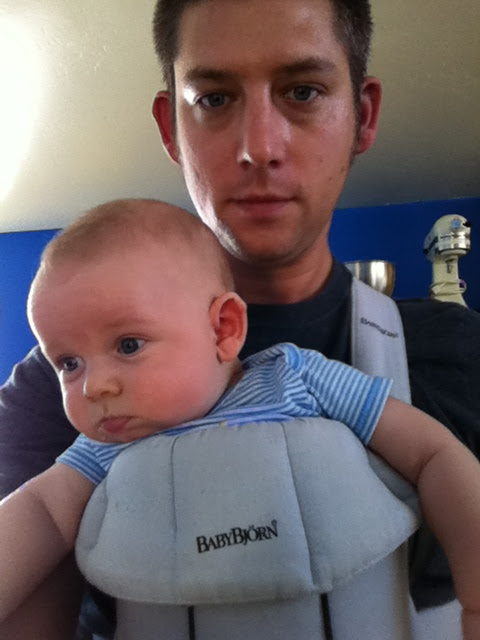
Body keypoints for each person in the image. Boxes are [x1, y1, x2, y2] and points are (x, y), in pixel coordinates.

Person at [0, 0, 479, 637]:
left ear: (362, 117)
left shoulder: (457, 355)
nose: (259, 148)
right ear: (171, 127)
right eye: (215, 99)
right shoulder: (63, 391)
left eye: (302, 91)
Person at [1, 198, 480, 640]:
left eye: (128, 345)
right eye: (68, 363)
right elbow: (40, 511)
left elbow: (433, 454)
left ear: (223, 329)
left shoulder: (296, 379)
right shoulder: (105, 446)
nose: (94, 387)